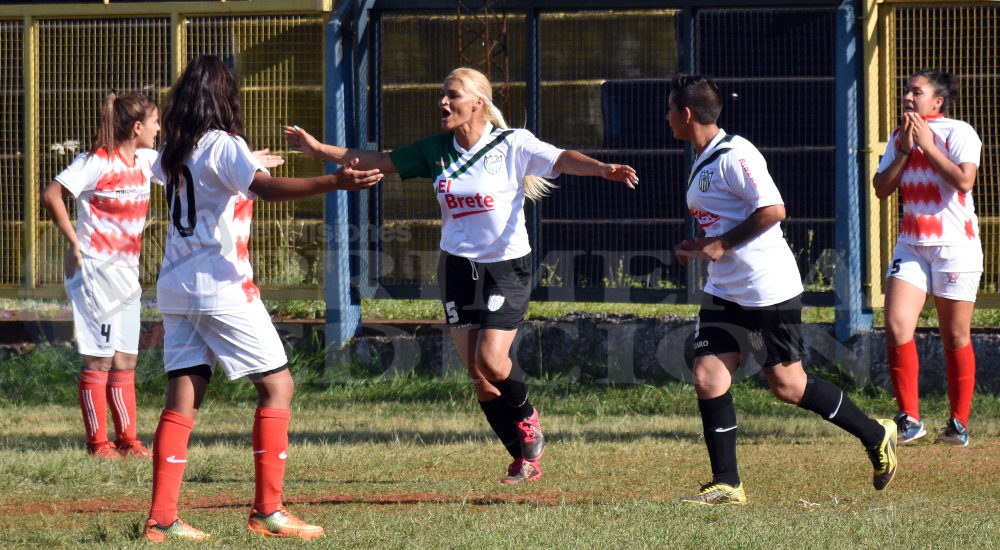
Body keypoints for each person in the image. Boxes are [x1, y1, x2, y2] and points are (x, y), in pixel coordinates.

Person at [285, 67, 637, 485]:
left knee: (492, 360)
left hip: (506, 267)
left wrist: (601, 168)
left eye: (453, 95)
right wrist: (317, 148)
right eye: (442, 94)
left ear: (478, 103)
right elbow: (379, 161)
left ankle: (527, 416)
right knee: (478, 376)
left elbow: (561, 159)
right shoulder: (436, 149)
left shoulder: (512, 144)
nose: (443, 102)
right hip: (457, 267)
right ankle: (524, 460)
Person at [142, 55, 383, 542]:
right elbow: (264, 189)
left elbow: (215, 182)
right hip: (222, 286)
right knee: (279, 388)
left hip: (176, 286)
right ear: (223, 97)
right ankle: (268, 512)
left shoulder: (173, 149)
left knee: (183, 396)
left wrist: (251, 164)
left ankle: (161, 519)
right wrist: (334, 181)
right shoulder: (225, 144)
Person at [669, 73, 897, 505]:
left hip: (765, 293)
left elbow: (773, 209)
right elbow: (723, 221)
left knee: (788, 386)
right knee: (707, 376)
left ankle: (874, 433)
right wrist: (699, 247)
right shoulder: (703, 157)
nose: (666, 118)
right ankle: (727, 483)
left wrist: (720, 243)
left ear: (686, 113)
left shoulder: (736, 154)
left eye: (670, 110)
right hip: (725, 292)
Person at [41, 92, 159, 460]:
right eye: (156, 122)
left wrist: (248, 161)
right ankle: (98, 445)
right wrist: (74, 241)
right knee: (100, 359)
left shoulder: (146, 160)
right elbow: (52, 194)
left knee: (126, 359)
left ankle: (128, 441)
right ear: (137, 127)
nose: (159, 129)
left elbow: (189, 167)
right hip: (94, 271)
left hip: (127, 274)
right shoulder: (96, 162)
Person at [873, 70, 982, 447]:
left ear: (937, 101)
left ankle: (958, 424)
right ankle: (910, 420)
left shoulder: (959, 132)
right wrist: (905, 149)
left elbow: (964, 181)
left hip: (956, 246)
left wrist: (929, 145)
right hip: (912, 245)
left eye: (915, 92)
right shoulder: (898, 137)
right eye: (905, 90)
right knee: (896, 324)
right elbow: (881, 189)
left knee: (954, 334)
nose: (906, 96)